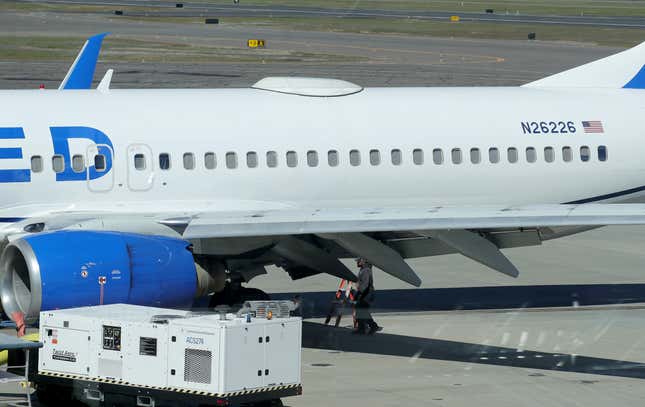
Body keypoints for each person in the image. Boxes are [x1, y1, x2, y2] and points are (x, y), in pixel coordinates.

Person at [353, 258, 380, 335]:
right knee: (360, 310)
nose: (357, 262)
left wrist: (357, 287)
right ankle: (361, 329)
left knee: (362, 311)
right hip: (364, 293)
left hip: (366, 294)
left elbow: (365, 285)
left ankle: (373, 326)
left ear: (364, 261)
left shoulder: (366, 270)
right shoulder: (363, 269)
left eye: (358, 261)